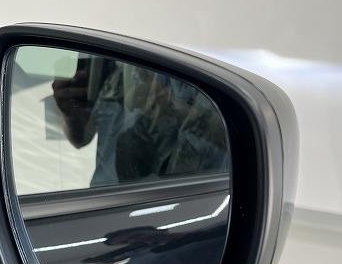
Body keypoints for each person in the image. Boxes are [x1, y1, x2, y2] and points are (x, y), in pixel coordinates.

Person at [51, 54, 229, 187]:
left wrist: (167, 106)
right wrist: (69, 112)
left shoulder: (211, 60)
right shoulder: (108, 48)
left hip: (178, 209)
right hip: (105, 204)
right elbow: (80, 138)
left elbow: (231, 139)